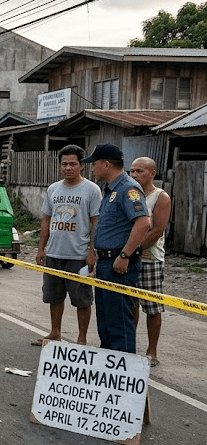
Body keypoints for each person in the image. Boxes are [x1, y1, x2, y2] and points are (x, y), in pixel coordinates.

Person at [81, 143, 150, 353]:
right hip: (106, 263)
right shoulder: (111, 190)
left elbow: (143, 223)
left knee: (119, 320)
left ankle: (124, 374)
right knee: (106, 320)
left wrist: (124, 254)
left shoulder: (128, 188)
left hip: (118, 265)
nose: (92, 168)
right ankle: (109, 372)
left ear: (107, 164)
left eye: (95, 164)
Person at [33, 145, 101, 347]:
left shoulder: (91, 190)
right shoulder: (53, 189)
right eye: (64, 164)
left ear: (81, 166)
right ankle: (55, 333)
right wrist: (41, 248)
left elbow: (96, 222)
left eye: (73, 164)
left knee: (82, 299)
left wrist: (92, 252)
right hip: (54, 253)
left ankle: (81, 339)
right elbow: (46, 220)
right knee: (54, 296)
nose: (68, 168)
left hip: (79, 255)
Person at [129, 156, 171, 367]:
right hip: (127, 258)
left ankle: (152, 351)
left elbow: (157, 231)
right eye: (132, 171)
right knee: (131, 304)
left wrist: (133, 251)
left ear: (152, 174)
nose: (135, 175)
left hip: (150, 260)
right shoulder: (130, 195)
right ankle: (130, 347)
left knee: (152, 307)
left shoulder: (160, 197)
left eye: (140, 171)